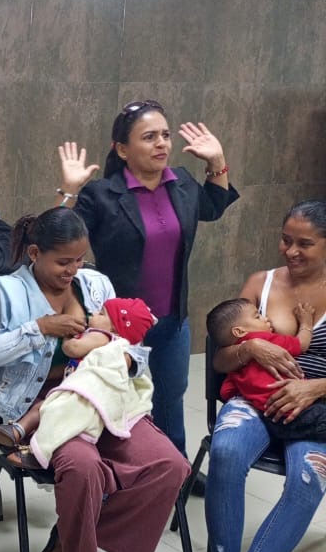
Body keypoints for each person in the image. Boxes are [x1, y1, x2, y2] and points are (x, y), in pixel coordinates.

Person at [0, 208, 189, 552]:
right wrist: (39, 329)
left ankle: (63, 550)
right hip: (41, 405)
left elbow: (133, 343)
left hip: (105, 396)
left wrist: (127, 359)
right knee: (84, 469)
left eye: (80, 259)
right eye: (63, 261)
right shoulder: (7, 289)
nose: (73, 270)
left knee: (170, 465)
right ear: (35, 254)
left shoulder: (96, 284)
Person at [55, 98, 238, 463]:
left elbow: (213, 206)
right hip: (116, 326)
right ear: (122, 149)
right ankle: (121, 475)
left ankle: (177, 471)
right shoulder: (102, 194)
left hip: (171, 321)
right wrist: (70, 191)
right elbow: (59, 237)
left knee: (170, 400)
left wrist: (217, 161)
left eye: (165, 135)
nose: (161, 144)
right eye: (149, 137)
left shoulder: (181, 183)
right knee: (117, 401)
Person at [189, 202, 326, 552]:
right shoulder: (260, 284)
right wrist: (250, 348)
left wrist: (315, 386)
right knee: (226, 450)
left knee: (307, 479)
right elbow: (220, 359)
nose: (290, 251)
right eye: (286, 239)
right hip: (254, 400)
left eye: (304, 243)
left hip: (315, 409)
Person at [0, 297, 156, 470]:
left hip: (82, 395)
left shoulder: (103, 337)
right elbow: (74, 364)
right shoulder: (101, 340)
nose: (94, 313)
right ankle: (17, 431)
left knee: (52, 412)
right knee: (44, 407)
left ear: (115, 328)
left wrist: (68, 334)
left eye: (101, 313)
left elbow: (73, 349)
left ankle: (36, 450)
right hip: (74, 391)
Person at [205, 298, 326, 441]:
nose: (265, 318)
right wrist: (306, 323)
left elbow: (226, 391)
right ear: (239, 331)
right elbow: (302, 344)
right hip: (300, 410)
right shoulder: (267, 340)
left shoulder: (236, 365)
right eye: (257, 317)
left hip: (272, 419)